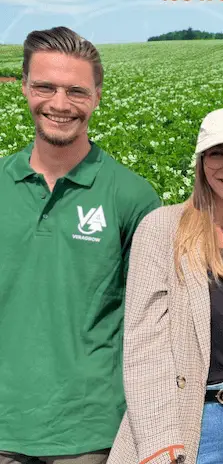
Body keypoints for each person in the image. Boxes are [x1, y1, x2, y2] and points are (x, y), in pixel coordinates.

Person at [0, 27, 160, 464]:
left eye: (76, 91)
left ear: (98, 95)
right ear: (24, 87)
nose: (59, 104)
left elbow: (151, 321)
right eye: (45, 87)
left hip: (90, 433)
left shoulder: (133, 196)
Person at [109, 106, 223, 464]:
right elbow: (144, 347)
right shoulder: (161, 230)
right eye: (217, 154)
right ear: (201, 163)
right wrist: (159, 441)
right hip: (190, 421)